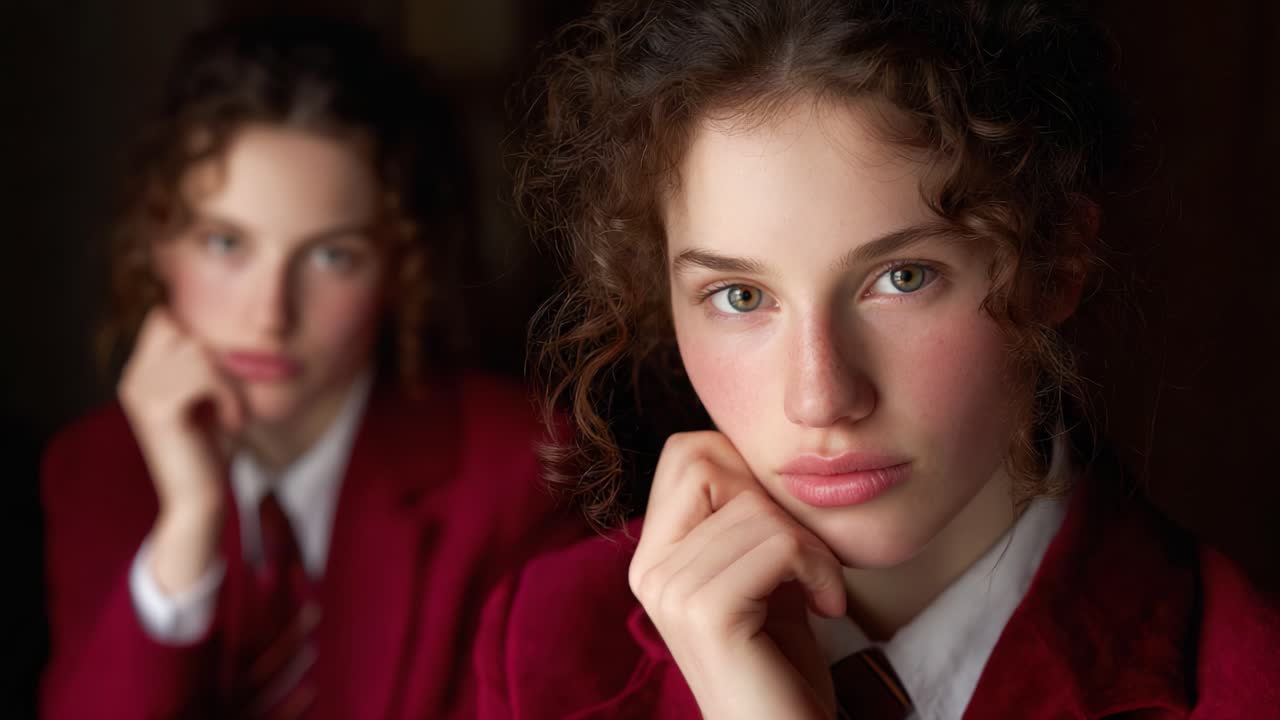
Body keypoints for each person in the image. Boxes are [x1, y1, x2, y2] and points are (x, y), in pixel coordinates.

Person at [476, 1, 1280, 717]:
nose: (821, 397)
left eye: (902, 278)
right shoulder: (550, 647)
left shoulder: (1245, 684)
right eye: (741, 296)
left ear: (1055, 265)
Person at [40, 15, 582, 719]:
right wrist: (188, 526)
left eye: (332, 256)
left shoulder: (521, 469)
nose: (270, 313)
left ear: (399, 270)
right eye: (226, 243)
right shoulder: (92, 468)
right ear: (157, 247)